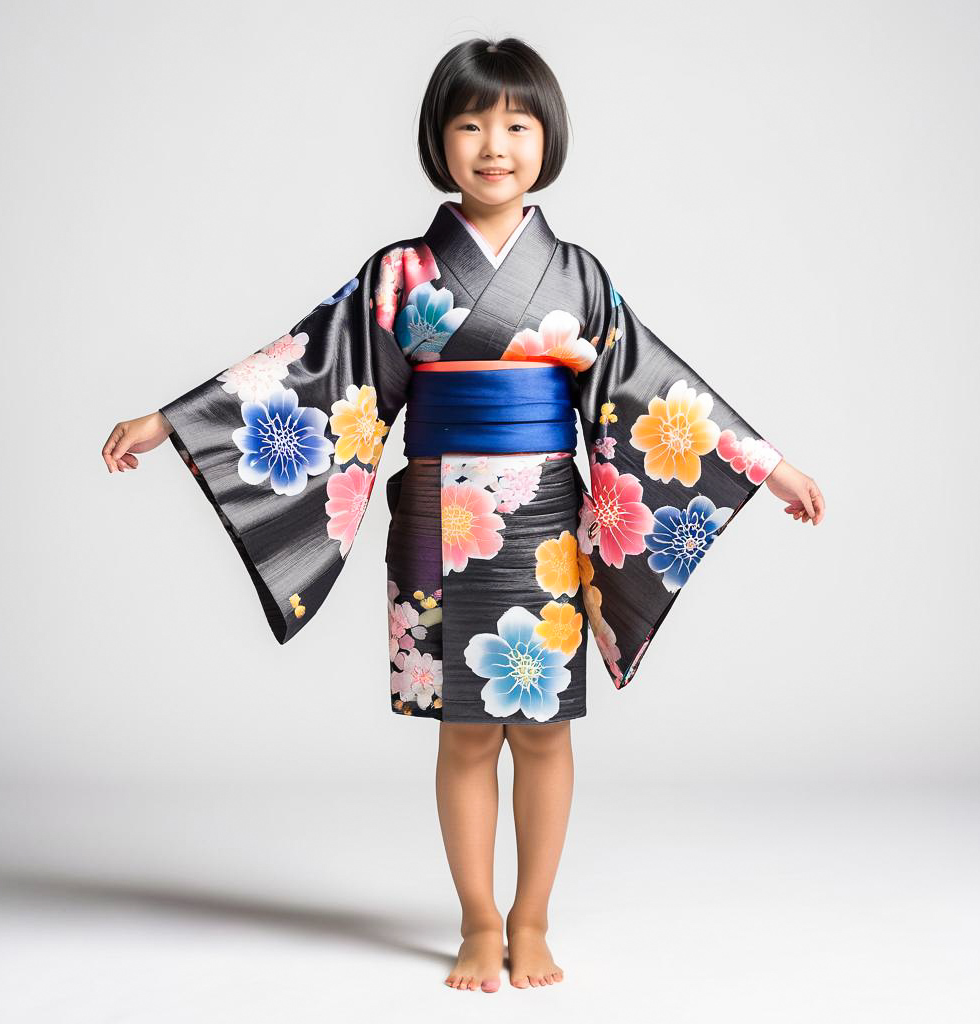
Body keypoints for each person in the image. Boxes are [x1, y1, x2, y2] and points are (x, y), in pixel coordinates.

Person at [102, 36, 825, 994]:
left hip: (541, 527)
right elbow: (313, 370)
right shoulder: (401, 274)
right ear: (439, 141)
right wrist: (171, 421)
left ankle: (532, 919)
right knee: (465, 730)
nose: (495, 144)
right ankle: (478, 922)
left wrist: (764, 465)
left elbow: (658, 394)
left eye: (517, 123)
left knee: (543, 727)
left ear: (546, 139)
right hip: (436, 520)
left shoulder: (578, 276)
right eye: (471, 123)